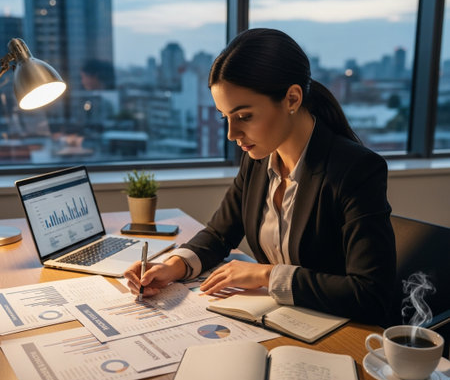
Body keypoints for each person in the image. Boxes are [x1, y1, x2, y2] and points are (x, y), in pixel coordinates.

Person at [124, 28, 396, 325]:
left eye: (244, 116)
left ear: (292, 98)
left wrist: (267, 275)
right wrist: (173, 266)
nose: (232, 134)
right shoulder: (259, 158)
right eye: (224, 117)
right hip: (280, 322)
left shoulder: (356, 170)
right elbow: (219, 233)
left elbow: (372, 294)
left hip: (341, 331)